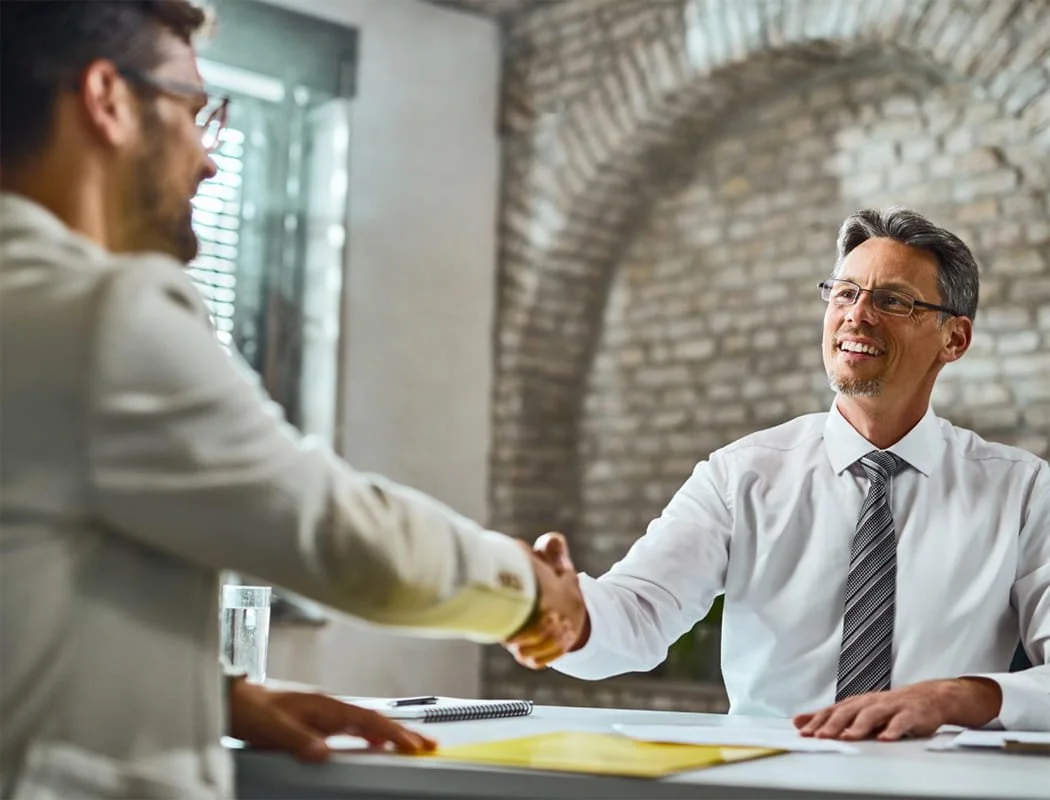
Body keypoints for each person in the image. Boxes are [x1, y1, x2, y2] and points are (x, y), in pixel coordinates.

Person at [0, 2, 574, 797]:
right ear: (107, 98)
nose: (209, 160)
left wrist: (218, 695)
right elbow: (345, 539)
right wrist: (526, 588)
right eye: (195, 112)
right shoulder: (95, 315)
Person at [507, 207, 1050, 740]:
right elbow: (641, 611)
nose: (857, 315)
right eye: (844, 293)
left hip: (938, 783)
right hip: (766, 779)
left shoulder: (1022, 493)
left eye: (892, 300)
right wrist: (570, 618)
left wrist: (962, 697)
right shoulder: (740, 475)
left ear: (953, 339)